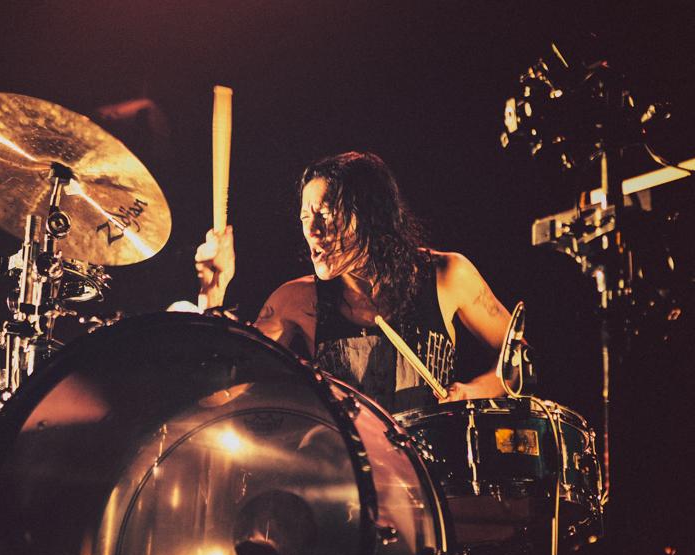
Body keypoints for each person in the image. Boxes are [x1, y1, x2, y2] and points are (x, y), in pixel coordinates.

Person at [195, 151, 511, 412]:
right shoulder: (297, 301)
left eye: (324, 214)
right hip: (349, 468)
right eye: (305, 218)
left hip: (435, 465)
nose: (312, 231)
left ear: (370, 215)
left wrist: (474, 391)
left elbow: (520, 358)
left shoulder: (446, 275)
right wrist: (213, 292)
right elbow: (218, 394)